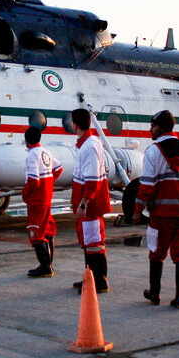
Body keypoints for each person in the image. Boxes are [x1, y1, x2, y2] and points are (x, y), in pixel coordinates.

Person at [133, 110, 179, 309]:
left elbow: (147, 185)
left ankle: (154, 293)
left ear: (160, 127)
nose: (150, 129)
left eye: (152, 126)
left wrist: (137, 210)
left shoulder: (153, 151)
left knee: (156, 251)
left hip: (161, 213)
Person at [70, 108, 111, 293]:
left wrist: (84, 202)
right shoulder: (87, 143)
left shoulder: (90, 146)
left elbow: (92, 179)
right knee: (89, 242)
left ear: (75, 124)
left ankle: (100, 281)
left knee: (94, 242)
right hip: (87, 203)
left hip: (90, 206)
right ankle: (90, 278)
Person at [22, 126, 63, 278]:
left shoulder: (31, 155)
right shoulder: (46, 152)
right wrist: (50, 184)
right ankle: (48, 264)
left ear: (27, 140)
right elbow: (59, 168)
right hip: (46, 197)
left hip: (37, 199)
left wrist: (25, 194)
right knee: (47, 229)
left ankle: (45, 266)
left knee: (36, 231)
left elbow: (33, 180)